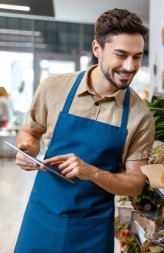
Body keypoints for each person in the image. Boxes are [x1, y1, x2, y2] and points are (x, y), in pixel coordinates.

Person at [14, 8, 154, 252]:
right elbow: (31, 132)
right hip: (43, 215)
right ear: (97, 49)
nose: (130, 66)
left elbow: (135, 183)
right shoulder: (53, 88)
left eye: (137, 56)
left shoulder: (139, 115)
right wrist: (28, 148)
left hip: (92, 227)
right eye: (121, 55)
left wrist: (92, 172)